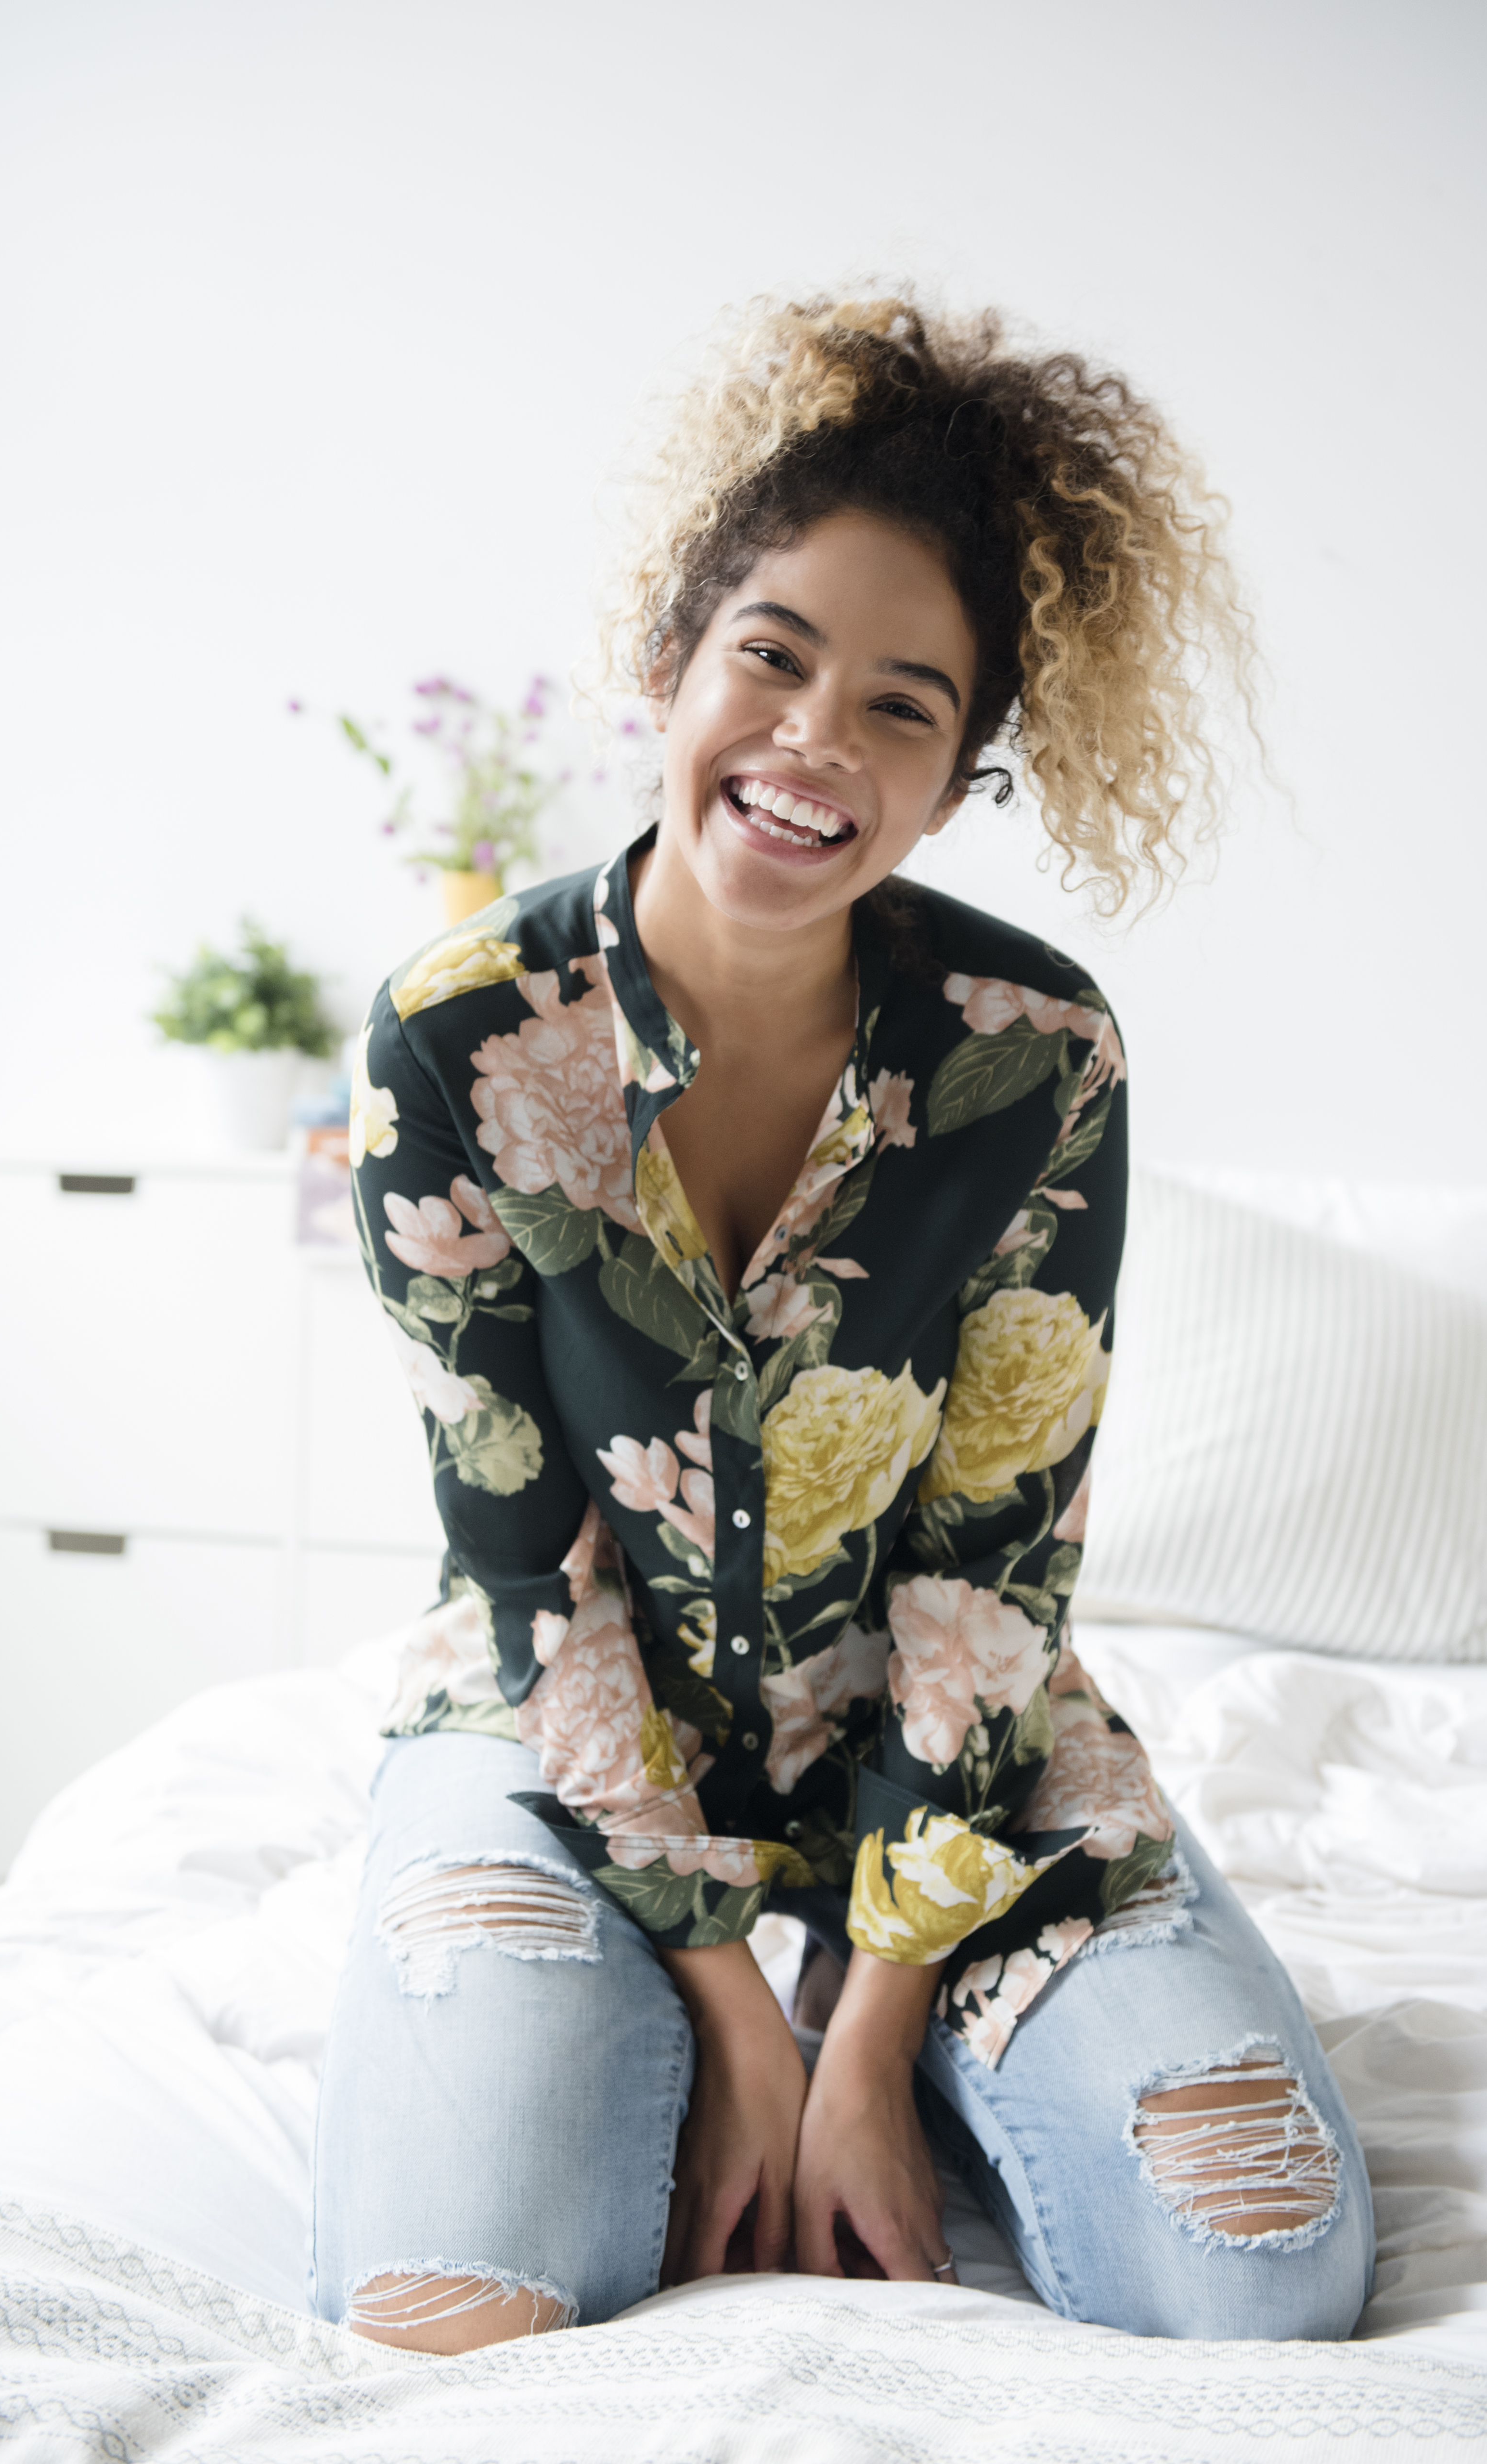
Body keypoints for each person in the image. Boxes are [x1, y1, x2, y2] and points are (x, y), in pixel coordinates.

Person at [312, 292, 1373, 2351]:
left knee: (1255, 2273)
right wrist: (735, 2004)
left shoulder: (1035, 1054)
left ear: (957, 781)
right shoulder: (452, 1035)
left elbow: (994, 1569)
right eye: (771, 660)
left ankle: (968, 2047)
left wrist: (865, 2037)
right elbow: (524, 1557)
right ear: (668, 668)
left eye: (898, 708)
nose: (813, 741)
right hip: (575, 1736)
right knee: (460, 2306)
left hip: (941, 1745)